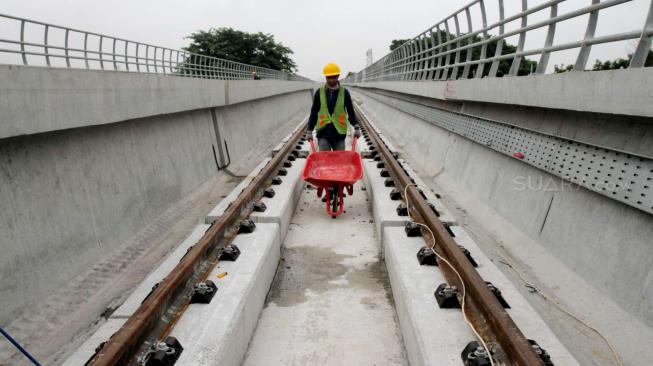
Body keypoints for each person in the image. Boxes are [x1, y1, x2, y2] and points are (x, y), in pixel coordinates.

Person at [306, 62, 361, 151]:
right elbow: (314, 112)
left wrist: (356, 127)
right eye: (329, 77)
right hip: (323, 132)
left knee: (339, 160)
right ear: (325, 77)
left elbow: (351, 111)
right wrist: (309, 130)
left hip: (339, 133)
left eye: (334, 77)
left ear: (338, 76)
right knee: (324, 159)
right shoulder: (319, 93)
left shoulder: (344, 92)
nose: (331, 80)